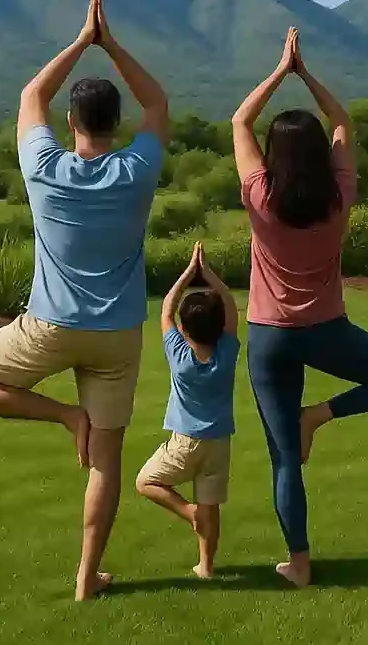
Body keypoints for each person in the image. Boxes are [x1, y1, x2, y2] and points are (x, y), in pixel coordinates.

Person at [0, 0, 169, 601]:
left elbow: (29, 98)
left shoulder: (45, 166)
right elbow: (158, 102)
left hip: (47, 327)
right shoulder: (136, 169)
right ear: (116, 124)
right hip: (118, 337)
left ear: (72, 122)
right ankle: (86, 577)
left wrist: (82, 39)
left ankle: (64, 417)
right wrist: (111, 43)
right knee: (106, 460)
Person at [234, 27, 368, 588]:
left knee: (285, 459)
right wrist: (306, 74)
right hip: (326, 329)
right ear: (319, 154)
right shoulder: (338, 194)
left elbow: (240, 122)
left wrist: (278, 72)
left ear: (274, 154)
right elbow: (344, 123)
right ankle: (321, 414)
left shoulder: (260, 195)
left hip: (269, 335)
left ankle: (301, 564)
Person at [136, 242, 239, 580]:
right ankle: (206, 567)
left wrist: (186, 274)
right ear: (220, 325)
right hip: (219, 443)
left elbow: (166, 311)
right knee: (212, 507)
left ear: (186, 327)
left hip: (186, 443)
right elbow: (232, 309)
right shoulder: (226, 353)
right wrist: (208, 274)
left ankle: (188, 512)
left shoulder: (180, 357)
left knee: (146, 482)